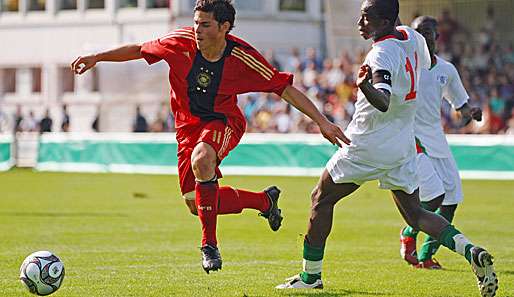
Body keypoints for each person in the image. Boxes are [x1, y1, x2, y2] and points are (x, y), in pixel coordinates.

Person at [71, 0, 347, 274]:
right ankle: (264, 201)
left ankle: (209, 245)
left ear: (224, 27)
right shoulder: (179, 42)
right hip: (186, 128)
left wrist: (322, 122)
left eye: (205, 24)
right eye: (196, 23)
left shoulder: (243, 57)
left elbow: (285, 89)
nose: (197, 30)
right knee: (196, 205)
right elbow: (139, 49)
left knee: (202, 159)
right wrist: (97, 57)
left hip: (223, 121)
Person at [276, 1, 498, 297]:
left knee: (320, 198)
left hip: (367, 142)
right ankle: (472, 252)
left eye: (366, 18)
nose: (359, 23)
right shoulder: (411, 36)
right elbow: (422, 67)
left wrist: (364, 85)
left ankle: (310, 275)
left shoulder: (380, 53)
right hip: (402, 143)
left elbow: (382, 99)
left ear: (385, 20)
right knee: (415, 214)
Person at [400, 16, 483, 270]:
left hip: (436, 137)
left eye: (427, 32)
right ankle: (408, 233)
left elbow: (460, 104)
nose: (422, 36)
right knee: (434, 196)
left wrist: (471, 112)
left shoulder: (447, 70)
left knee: (452, 198)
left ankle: (425, 256)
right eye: (418, 32)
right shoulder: (406, 65)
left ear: (437, 36)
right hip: (411, 137)